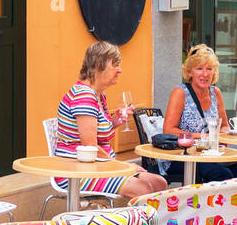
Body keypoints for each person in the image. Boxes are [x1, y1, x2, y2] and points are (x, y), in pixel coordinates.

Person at [54, 41, 167, 200]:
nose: (119, 70)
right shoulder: (84, 96)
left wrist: (114, 122)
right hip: (78, 172)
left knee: (160, 183)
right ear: (99, 65)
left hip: (100, 166)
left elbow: (97, 135)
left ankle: (150, 224)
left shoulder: (99, 95)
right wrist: (125, 166)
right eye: (115, 65)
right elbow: (90, 147)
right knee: (144, 189)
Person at [161, 44, 237, 184]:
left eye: (209, 69)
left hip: (213, 155)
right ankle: (221, 206)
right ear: (190, 72)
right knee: (223, 175)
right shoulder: (180, 93)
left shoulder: (216, 93)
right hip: (183, 156)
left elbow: (224, 126)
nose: (205, 74)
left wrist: (222, 136)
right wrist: (204, 137)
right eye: (199, 69)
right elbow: (169, 130)